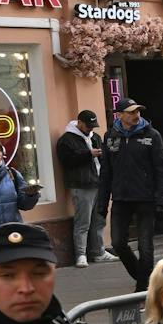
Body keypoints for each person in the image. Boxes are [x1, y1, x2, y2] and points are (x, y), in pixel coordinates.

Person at [97, 99, 163, 292]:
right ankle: (144, 276)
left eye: (138, 111)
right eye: (131, 112)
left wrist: (162, 200)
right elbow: (106, 173)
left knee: (146, 246)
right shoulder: (110, 136)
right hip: (121, 198)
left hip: (146, 199)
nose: (136, 115)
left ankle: (142, 288)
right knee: (118, 243)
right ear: (119, 115)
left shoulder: (152, 136)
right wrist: (102, 204)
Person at [55, 110, 109, 268]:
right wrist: (88, 154)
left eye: (93, 126)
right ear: (79, 123)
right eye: (88, 126)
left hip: (99, 182)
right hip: (82, 184)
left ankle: (99, 252)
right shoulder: (66, 140)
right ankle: (81, 254)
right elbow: (66, 161)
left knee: (99, 220)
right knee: (83, 222)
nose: (91, 129)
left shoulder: (95, 137)